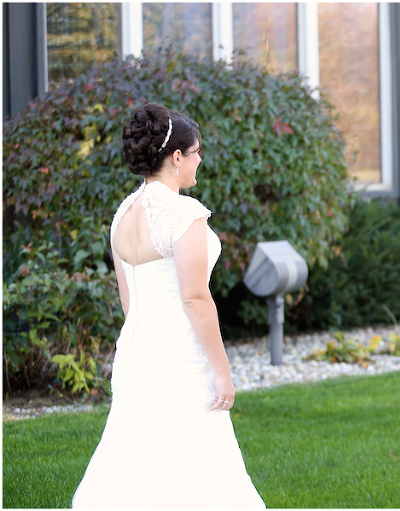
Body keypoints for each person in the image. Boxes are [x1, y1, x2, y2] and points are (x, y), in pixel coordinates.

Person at [72, 103, 265, 509]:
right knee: (199, 468)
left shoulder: (122, 214)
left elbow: (129, 298)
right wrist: (222, 371)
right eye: (196, 152)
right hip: (181, 358)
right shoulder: (184, 214)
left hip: (137, 354)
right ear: (176, 158)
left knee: (137, 460)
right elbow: (195, 298)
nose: (199, 160)